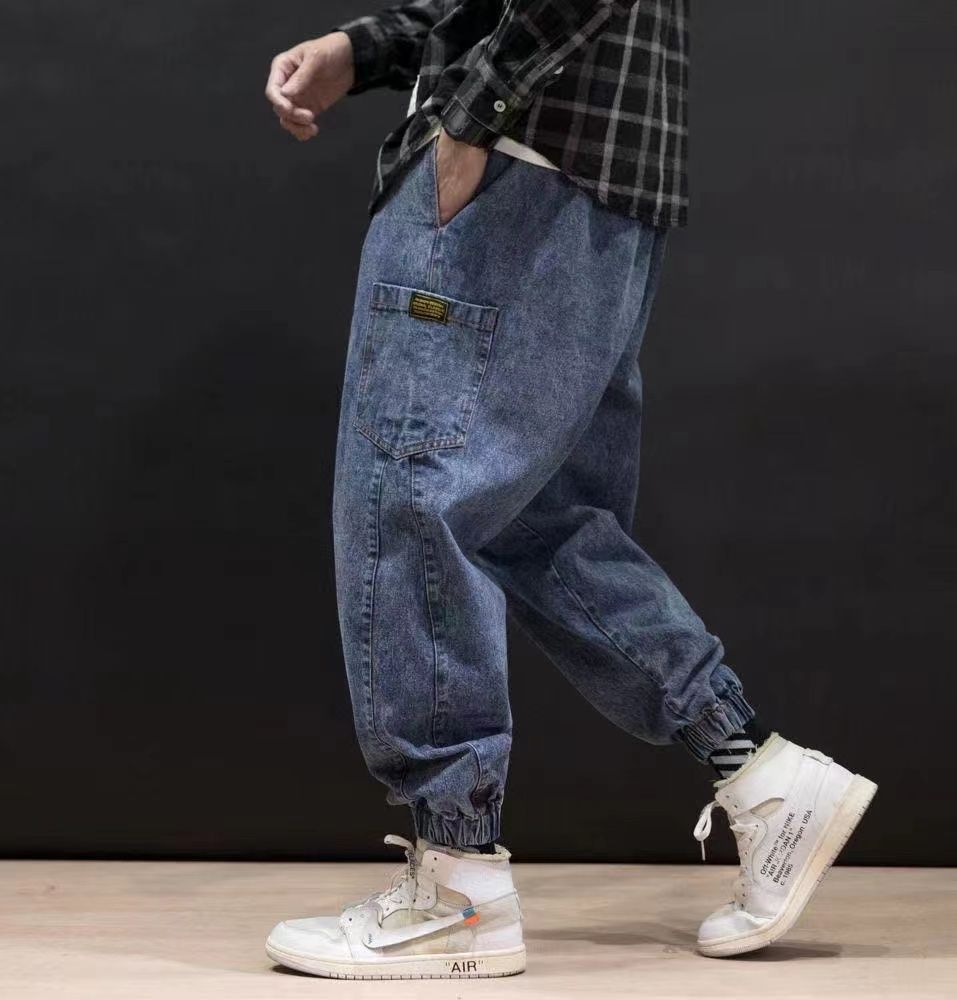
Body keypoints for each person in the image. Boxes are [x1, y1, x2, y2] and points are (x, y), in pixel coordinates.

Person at [262, 0, 876, 980]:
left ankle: (456, 889)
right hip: (594, 185)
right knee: (541, 522)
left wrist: (472, 119)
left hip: (519, 161)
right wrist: (365, 49)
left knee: (409, 496)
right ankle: (761, 774)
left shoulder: (496, 136)